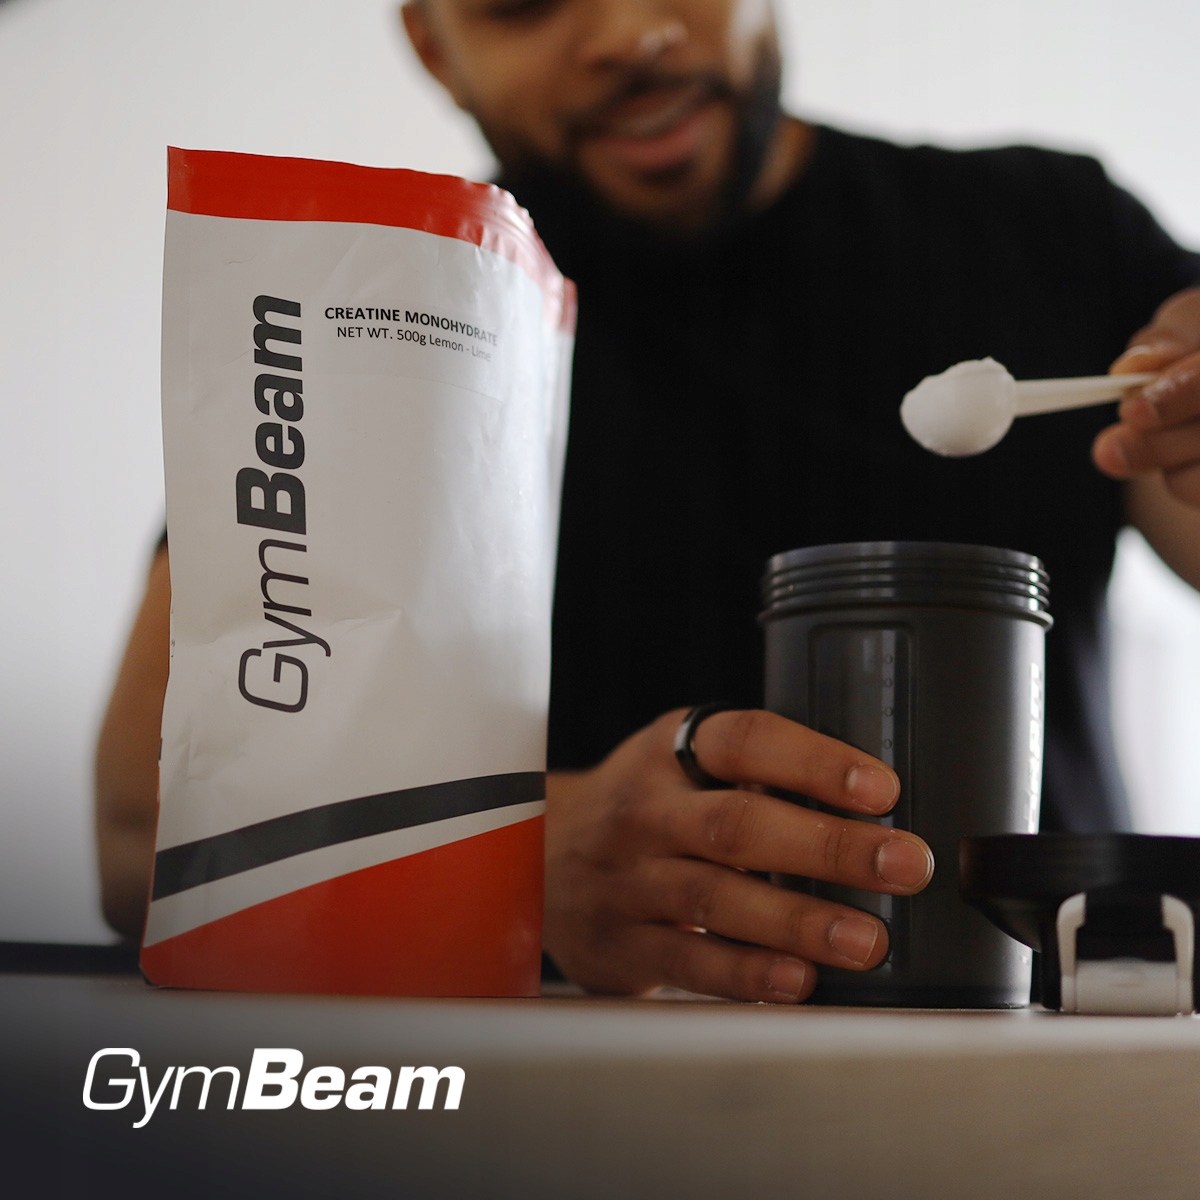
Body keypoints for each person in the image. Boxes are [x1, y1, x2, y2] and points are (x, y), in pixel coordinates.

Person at [96, 0, 1200, 1004]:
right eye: (525, 5)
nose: (630, 33)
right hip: (541, 1109)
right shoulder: (371, 326)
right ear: (435, 46)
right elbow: (139, 836)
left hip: (1048, 1075)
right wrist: (504, 865)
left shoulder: (1051, 230)